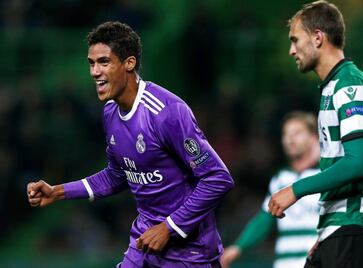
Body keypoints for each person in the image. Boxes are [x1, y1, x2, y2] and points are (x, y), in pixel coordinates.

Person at [27, 21, 234, 268]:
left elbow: (218, 178)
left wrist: (169, 228)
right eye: (91, 63)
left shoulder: (167, 112)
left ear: (129, 63)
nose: (95, 72)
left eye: (104, 62)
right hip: (143, 244)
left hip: (189, 253)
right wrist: (58, 191)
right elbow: (117, 175)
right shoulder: (110, 113)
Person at [268, 1, 363, 268]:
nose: (291, 50)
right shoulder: (332, 87)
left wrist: (296, 190)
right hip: (339, 229)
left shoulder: (350, 85)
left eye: (295, 40)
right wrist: (327, 230)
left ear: (318, 37)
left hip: (356, 226)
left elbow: (357, 163)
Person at [221, 111, 320, 268]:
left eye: (297, 133)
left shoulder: (325, 177)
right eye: (285, 134)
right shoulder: (280, 179)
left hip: (315, 263)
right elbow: (265, 219)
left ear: (314, 138)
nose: (290, 139)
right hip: (283, 263)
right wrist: (238, 247)